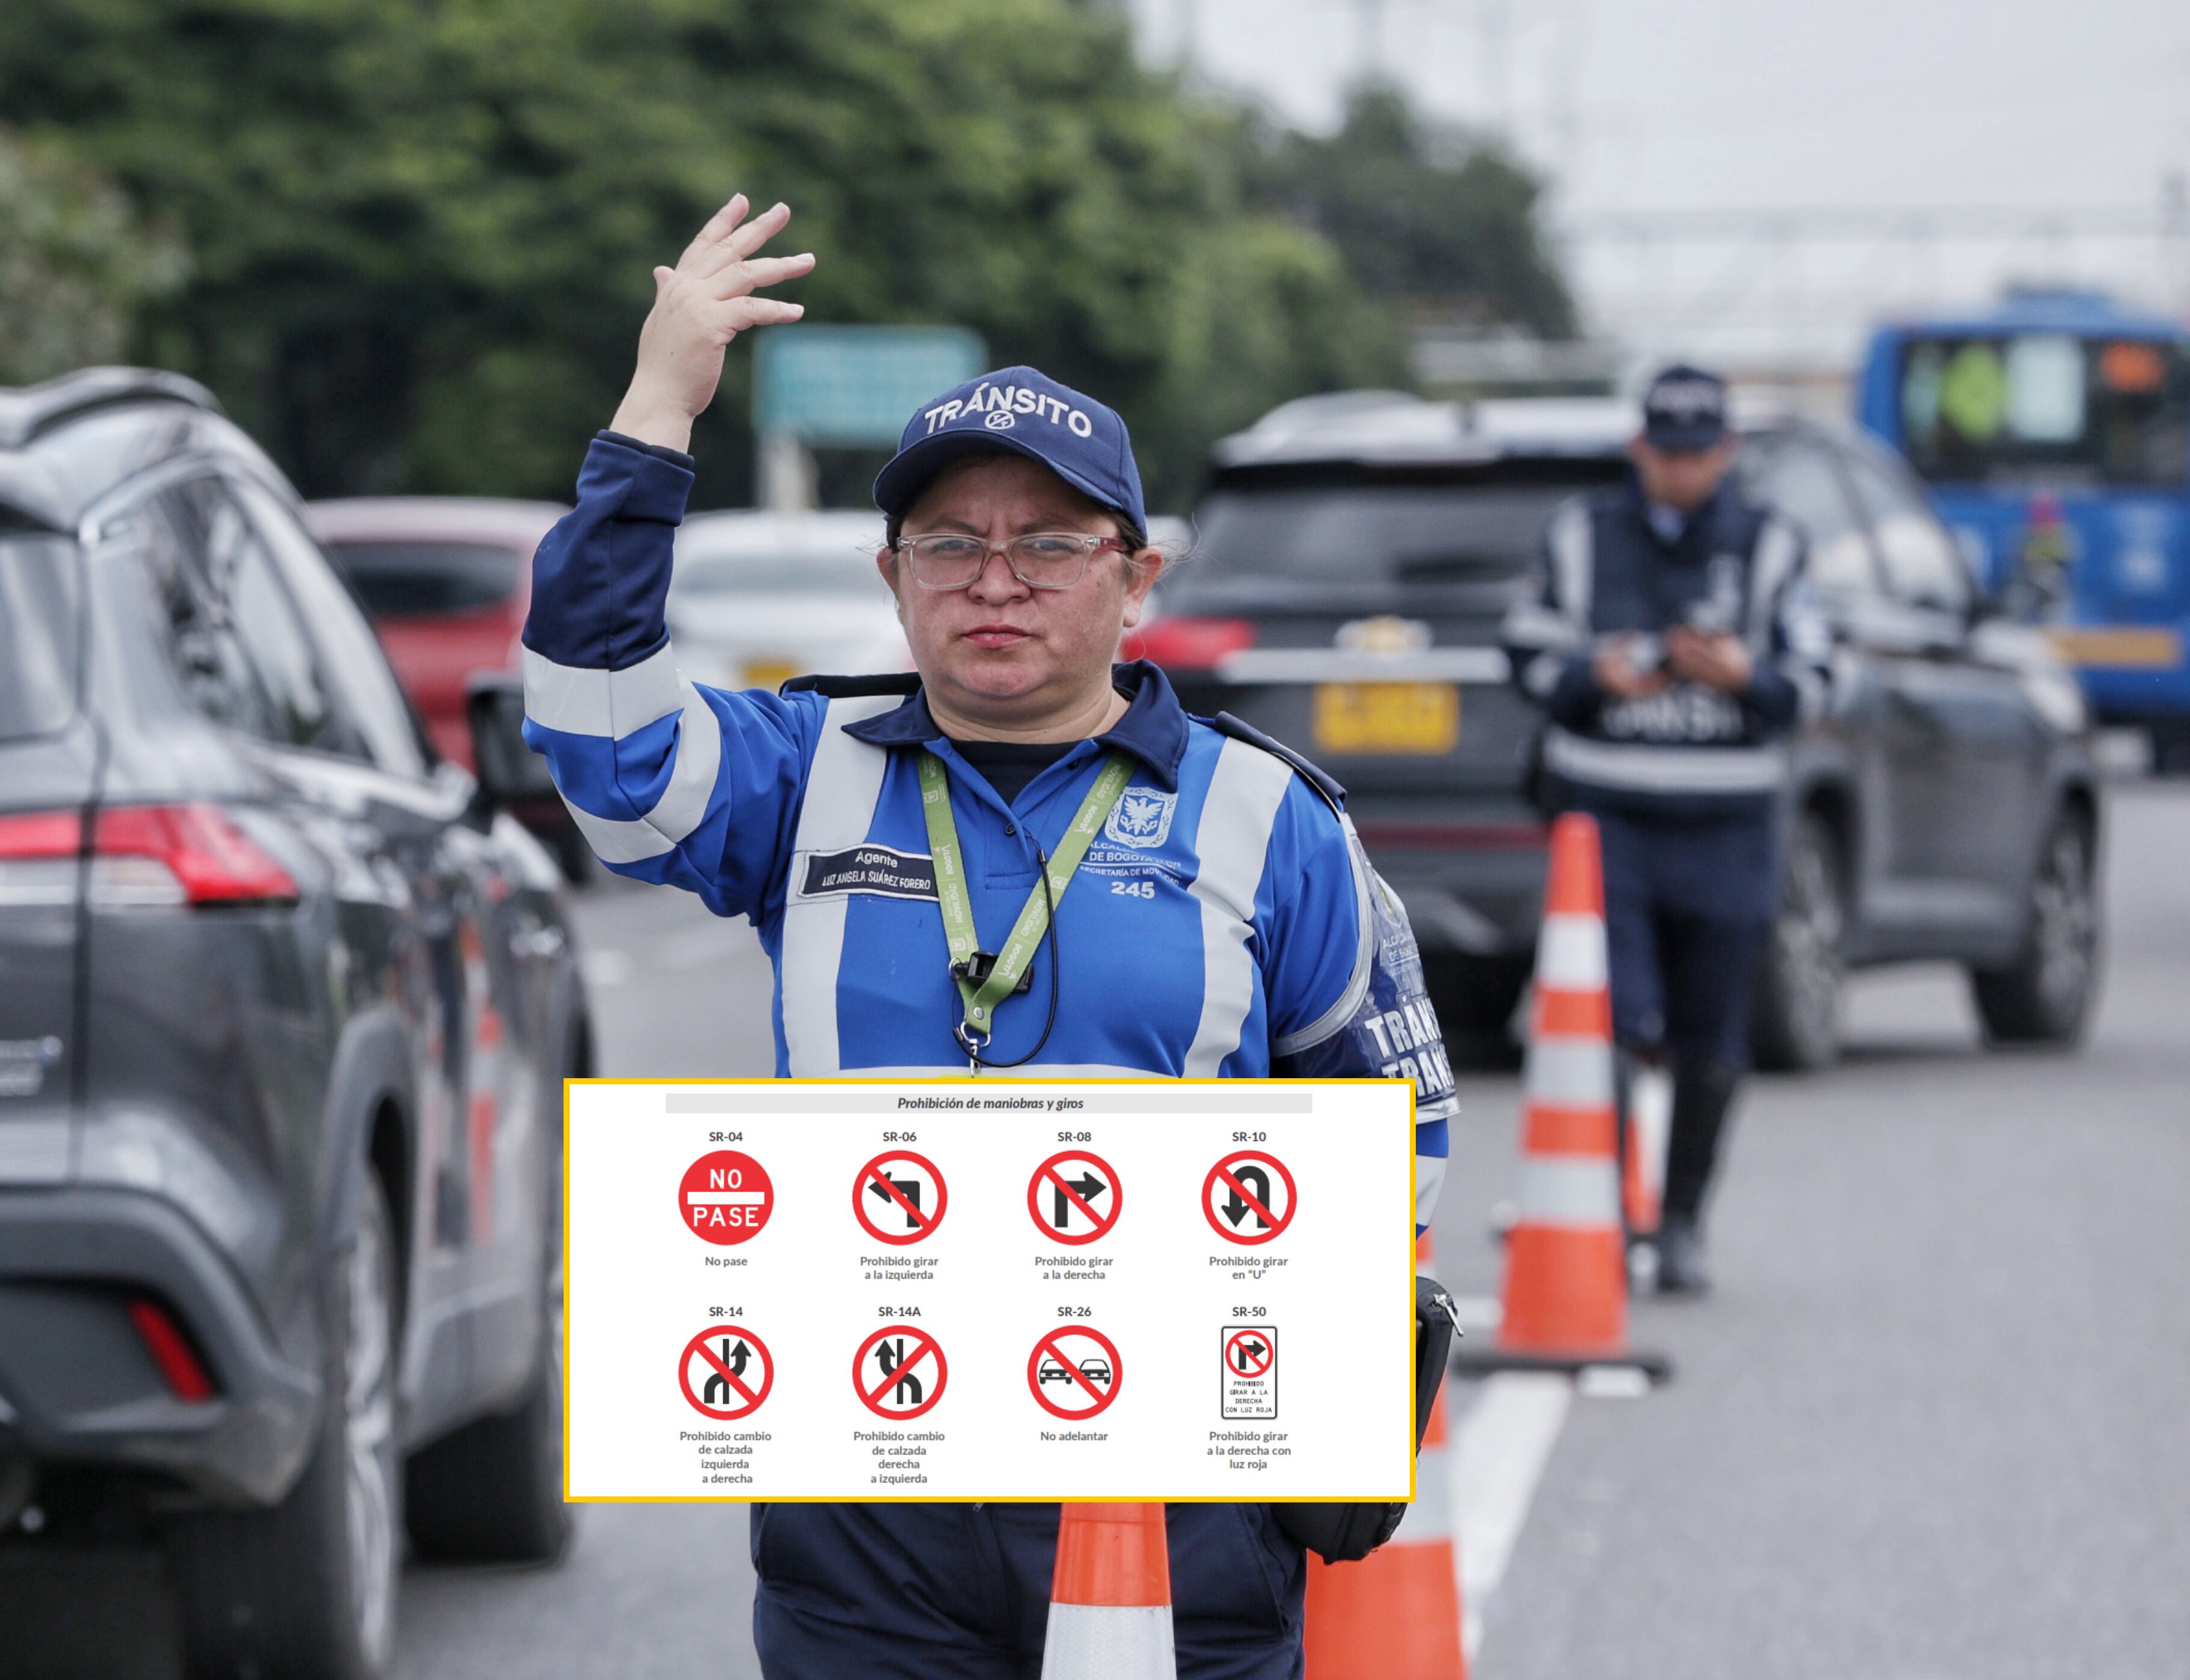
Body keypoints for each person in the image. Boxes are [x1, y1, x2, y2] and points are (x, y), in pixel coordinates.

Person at [521, 194, 1458, 1680]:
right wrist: (655, 412)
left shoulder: (1271, 817)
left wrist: (1276, 1393)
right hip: (868, 1487)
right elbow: (597, 739)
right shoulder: (798, 767)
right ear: (889, 577)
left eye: (1048, 543)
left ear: (1138, 579)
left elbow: (1387, 1131)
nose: (995, 581)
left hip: (1169, 1493)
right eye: (948, 544)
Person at [1502, 364, 1828, 1295]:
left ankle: (1682, 1221)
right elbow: (1523, 654)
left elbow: (1815, 683)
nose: (1681, 469)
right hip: (1605, 825)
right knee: (1609, 1020)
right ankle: (1602, 1208)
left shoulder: (1771, 546)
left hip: (1728, 827)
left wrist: (1739, 675)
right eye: (1666, 451)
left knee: (1711, 1036)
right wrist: (1598, 675)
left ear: (1724, 453)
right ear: (1640, 447)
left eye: (1699, 452)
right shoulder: (1581, 536)